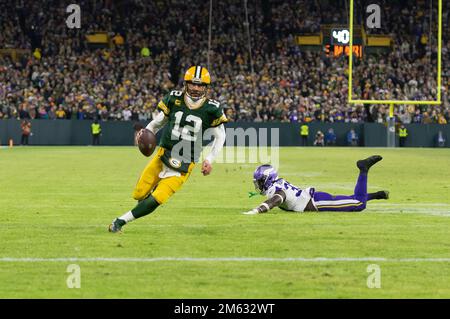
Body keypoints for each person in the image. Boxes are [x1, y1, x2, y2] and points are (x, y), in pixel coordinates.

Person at [109, 66, 227, 233]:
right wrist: (145, 135)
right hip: (163, 154)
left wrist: (209, 159)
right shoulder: (174, 99)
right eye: (192, 84)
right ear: (186, 84)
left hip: (185, 163)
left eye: (200, 85)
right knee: (139, 194)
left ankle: (120, 221)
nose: (195, 88)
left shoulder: (212, 108)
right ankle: (141, 206)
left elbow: (220, 136)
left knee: (158, 198)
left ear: (206, 88)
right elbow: (156, 124)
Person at [242, 155, 388, 215]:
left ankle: (363, 169)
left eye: (260, 181)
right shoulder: (277, 184)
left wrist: (257, 210)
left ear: (268, 179)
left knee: (358, 204)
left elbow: (277, 199)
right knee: (351, 200)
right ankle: (375, 195)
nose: (259, 185)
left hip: (317, 202)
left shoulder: (276, 189)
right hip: (315, 199)